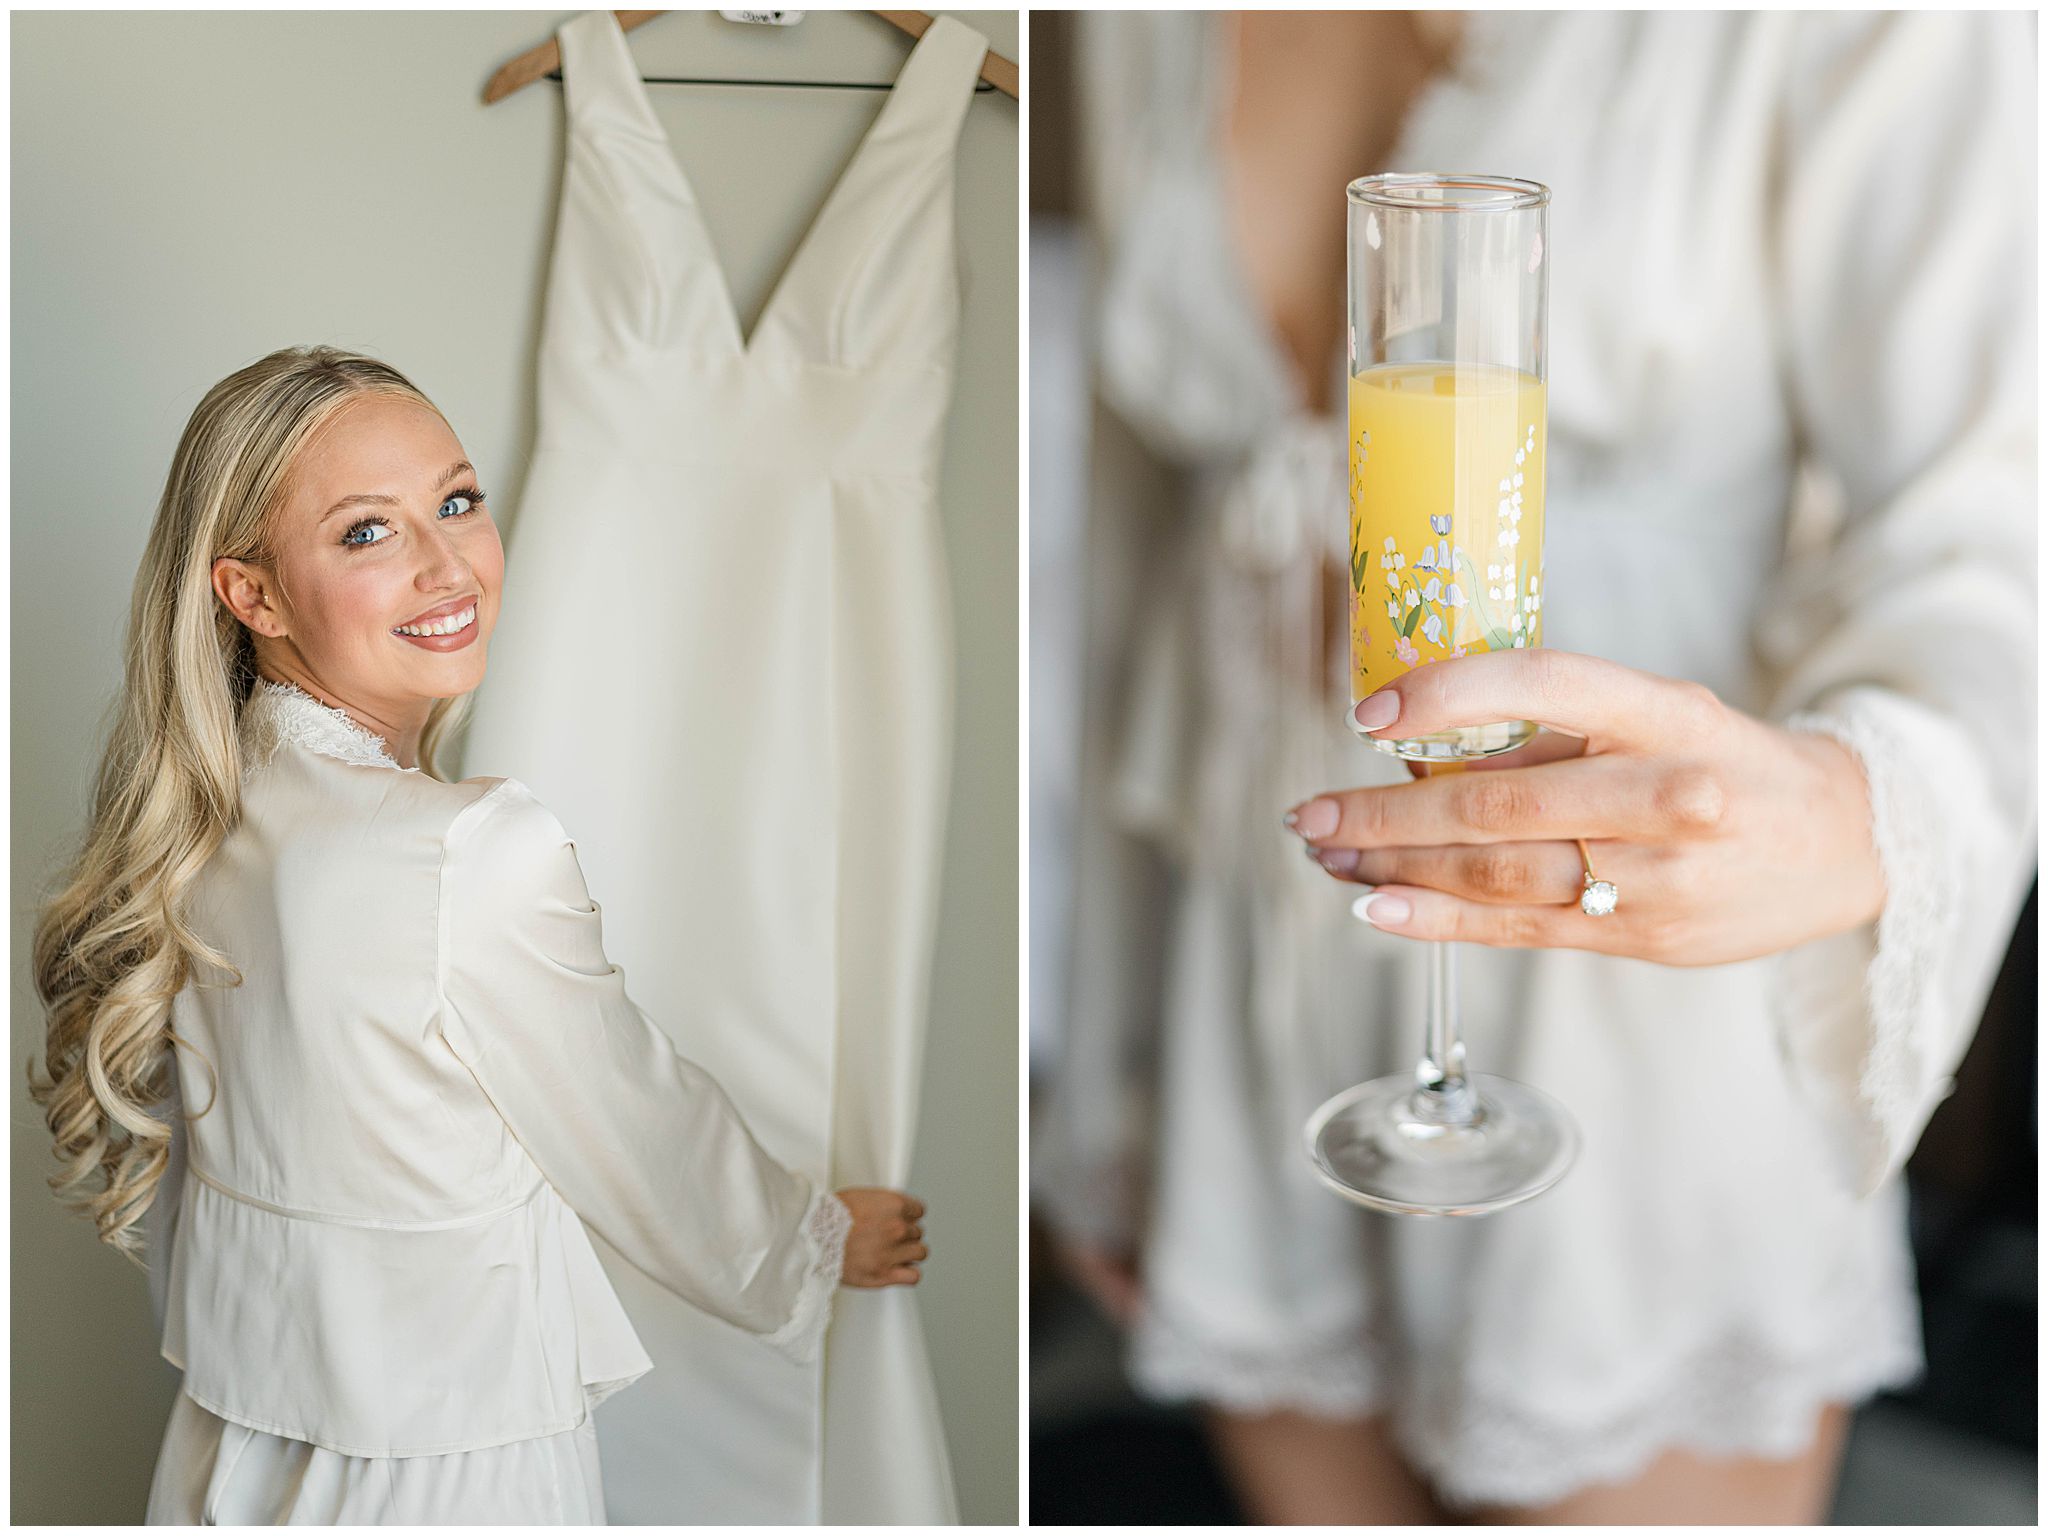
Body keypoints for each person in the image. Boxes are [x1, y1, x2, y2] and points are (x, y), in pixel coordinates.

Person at [1034, 9, 2034, 1523]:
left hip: (1632, 1003)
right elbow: (1132, 546)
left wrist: (1849, 813)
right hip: (1242, 1002)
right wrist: (1108, 1082)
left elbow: (1988, 524)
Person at [28, 344, 929, 1523]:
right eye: (367, 531)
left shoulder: (199, 819)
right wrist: (809, 1242)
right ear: (252, 595)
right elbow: (633, 1118)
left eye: (455, 501)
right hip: (451, 1470)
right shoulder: (469, 850)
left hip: (224, 1459)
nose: (447, 564)